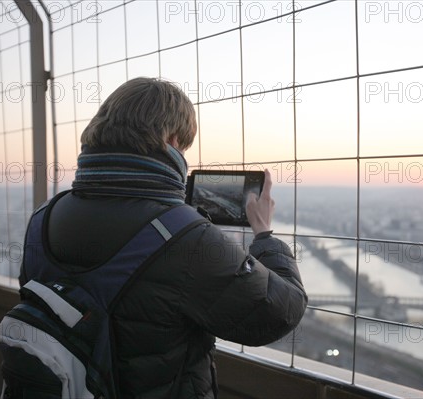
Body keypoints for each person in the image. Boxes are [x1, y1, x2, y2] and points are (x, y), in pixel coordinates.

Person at [18, 77, 308, 398]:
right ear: (171, 141)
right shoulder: (187, 238)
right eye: (183, 146)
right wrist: (265, 235)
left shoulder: (44, 216)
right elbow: (280, 312)